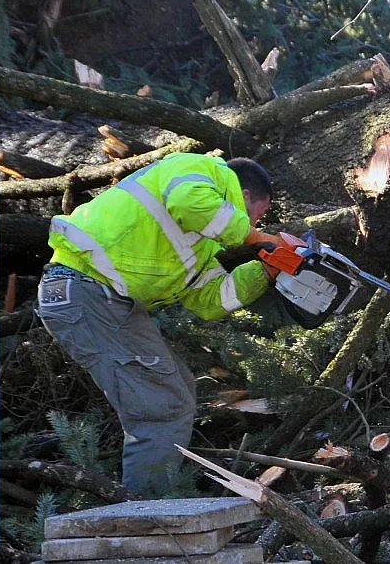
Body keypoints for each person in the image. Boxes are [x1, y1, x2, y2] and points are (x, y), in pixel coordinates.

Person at [36, 152, 282, 498]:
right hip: (87, 290)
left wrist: (266, 270)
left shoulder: (197, 245)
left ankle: (147, 505)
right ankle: (146, 515)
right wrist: (258, 239)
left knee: (178, 389)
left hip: (100, 298)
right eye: (261, 214)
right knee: (163, 405)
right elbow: (190, 201)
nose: (257, 223)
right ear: (244, 196)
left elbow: (212, 300)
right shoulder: (200, 170)